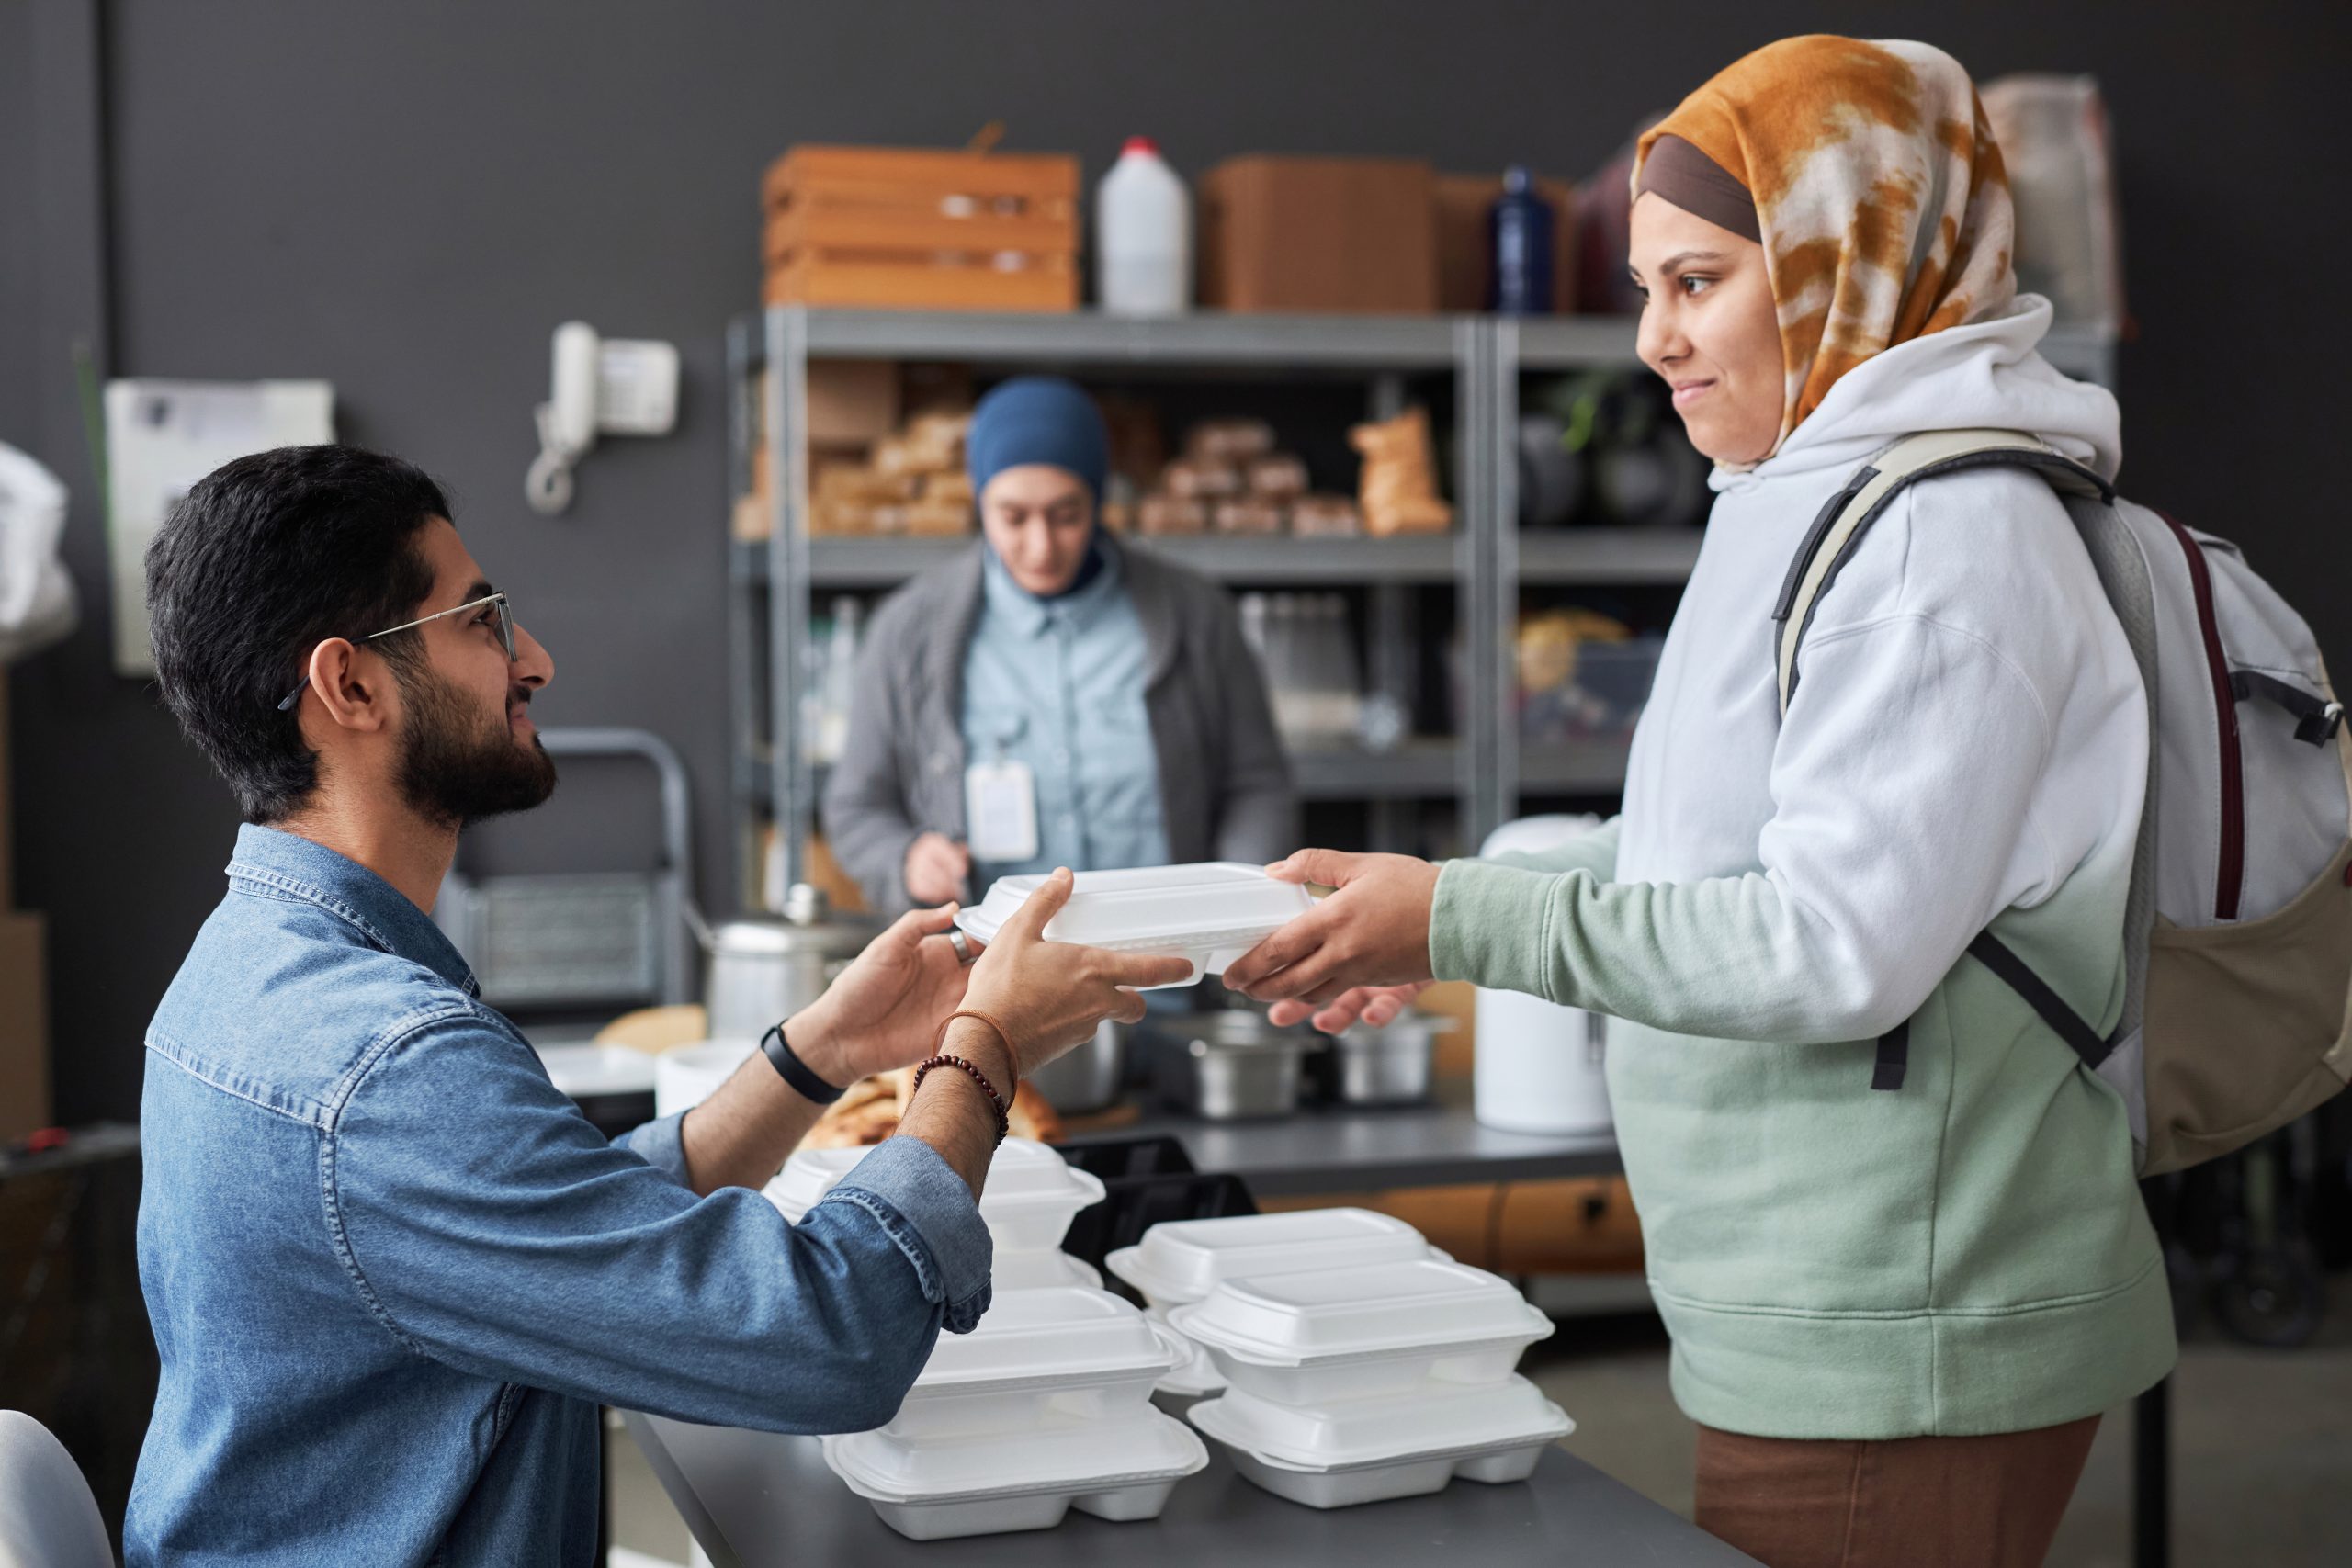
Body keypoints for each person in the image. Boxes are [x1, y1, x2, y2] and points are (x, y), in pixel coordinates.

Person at [1225, 36, 2171, 1568]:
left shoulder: (1945, 542)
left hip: (1898, 1330)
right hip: (1818, 1304)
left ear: (1844, 260)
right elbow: (1708, 846)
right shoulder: (1810, 489)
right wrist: (1442, 918)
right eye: (1645, 288)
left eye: (1699, 281)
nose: (1654, 340)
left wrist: (1466, 910)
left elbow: (1830, 947)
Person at [126, 444, 1191, 1566]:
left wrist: (823, 1050)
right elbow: (828, 1341)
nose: (532, 658)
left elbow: (556, 1227)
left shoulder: (248, 967)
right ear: (350, 686)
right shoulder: (387, 1068)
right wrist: (982, 1052)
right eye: (481, 620)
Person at [824, 375, 1295, 914]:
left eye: (1066, 515)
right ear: (980, 503)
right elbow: (857, 806)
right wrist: (906, 858)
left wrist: (1237, 904)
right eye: (1013, 517)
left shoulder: (1194, 615)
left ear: (1097, 499)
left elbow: (1257, 784)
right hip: (992, 989)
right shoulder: (908, 632)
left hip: (1173, 975)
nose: (1041, 546)